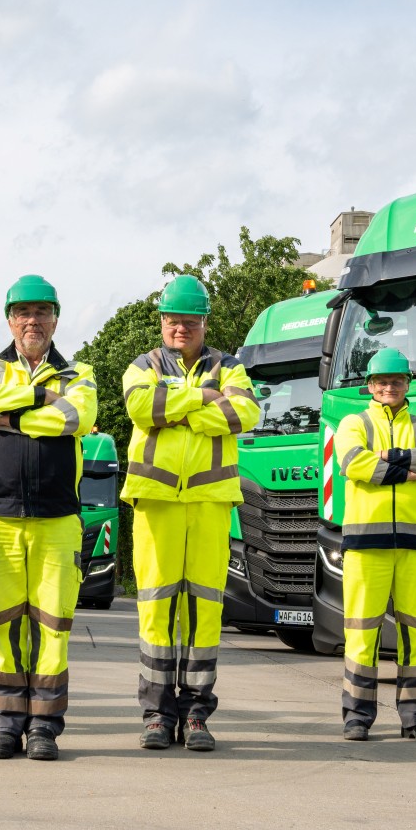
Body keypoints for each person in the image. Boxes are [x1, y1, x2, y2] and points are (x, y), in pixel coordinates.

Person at [0, 274, 98, 760]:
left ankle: (44, 726)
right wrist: (43, 401)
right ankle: (4, 724)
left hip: (58, 520)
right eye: (23, 312)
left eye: (42, 312)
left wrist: (12, 415)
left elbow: (75, 418)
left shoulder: (80, 374)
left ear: (55, 319)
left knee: (53, 628)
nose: (32, 321)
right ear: (10, 319)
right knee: (2, 626)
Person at [120, 275, 257, 751]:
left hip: (209, 504)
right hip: (156, 502)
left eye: (190, 322)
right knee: (157, 609)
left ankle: (196, 715)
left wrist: (174, 408)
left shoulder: (230, 366)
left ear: (203, 323)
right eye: (174, 321)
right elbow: (141, 407)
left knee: (203, 612)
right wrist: (203, 399)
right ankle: (157, 715)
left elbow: (245, 414)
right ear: (162, 322)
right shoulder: (143, 365)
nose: (182, 329)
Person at [328, 348, 416, 742]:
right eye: (381, 382)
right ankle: (357, 718)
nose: (388, 387)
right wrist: (407, 470)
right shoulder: (353, 422)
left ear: (407, 385)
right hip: (366, 542)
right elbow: (351, 462)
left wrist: (386, 458)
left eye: (396, 382)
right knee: (362, 632)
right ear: (370, 386)